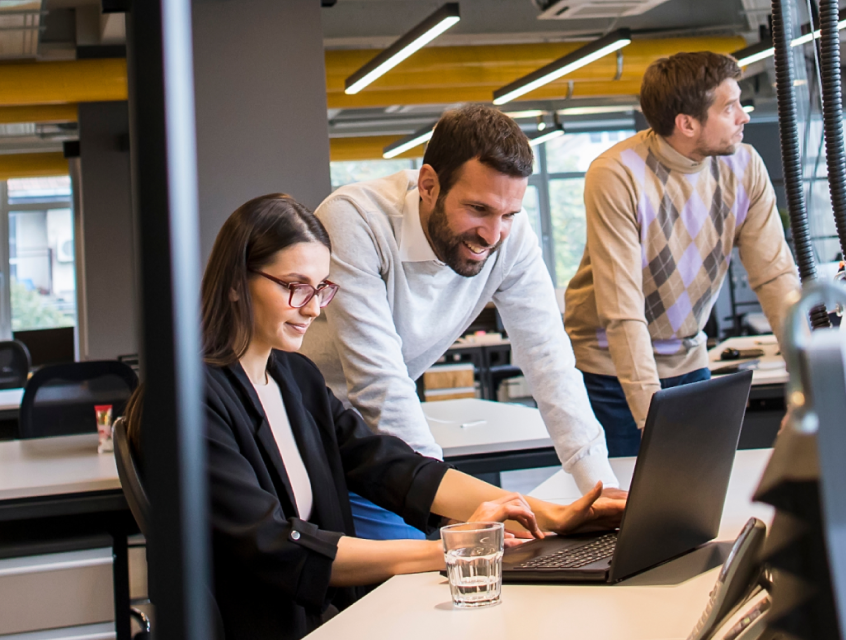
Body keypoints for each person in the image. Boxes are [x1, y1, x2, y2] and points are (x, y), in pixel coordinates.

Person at [125, 194, 624, 640]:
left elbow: (390, 466)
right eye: (295, 287)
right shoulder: (183, 401)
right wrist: (451, 549)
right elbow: (276, 545)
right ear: (236, 283)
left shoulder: (294, 379)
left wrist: (549, 514)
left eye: (321, 288)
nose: (312, 309)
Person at [307, 103, 612, 541]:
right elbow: (380, 385)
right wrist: (450, 510)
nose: (492, 235)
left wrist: (600, 490)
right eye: (478, 209)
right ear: (428, 185)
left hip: (391, 449)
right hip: (322, 433)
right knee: (426, 562)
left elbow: (550, 360)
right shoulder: (356, 220)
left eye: (508, 215)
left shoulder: (510, 236)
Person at [564, 51, 800, 457]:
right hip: (610, 370)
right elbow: (622, 310)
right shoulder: (617, 174)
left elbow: (775, 277)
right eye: (730, 107)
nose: (744, 116)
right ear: (687, 123)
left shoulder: (744, 167)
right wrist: (650, 419)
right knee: (629, 501)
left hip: (687, 358)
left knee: (699, 486)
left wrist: (808, 384)